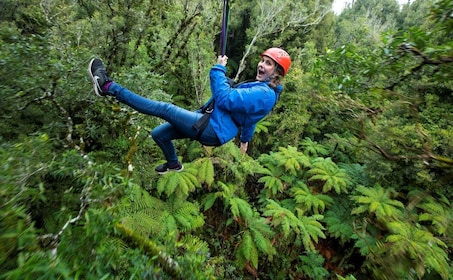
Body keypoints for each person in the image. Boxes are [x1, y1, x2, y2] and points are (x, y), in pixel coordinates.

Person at [88, 47, 291, 174]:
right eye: (263, 60)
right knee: (159, 135)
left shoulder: (264, 94)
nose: (262, 65)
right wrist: (245, 140)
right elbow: (250, 119)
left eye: (268, 63)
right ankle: (173, 164)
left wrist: (219, 69)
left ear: (277, 73)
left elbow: (225, 98)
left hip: (213, 128)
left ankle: (108, 87)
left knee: (164, 108)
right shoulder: (264, 90)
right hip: (210, 122)